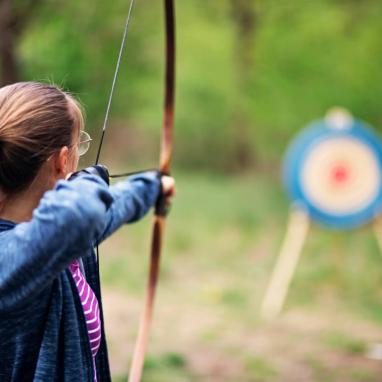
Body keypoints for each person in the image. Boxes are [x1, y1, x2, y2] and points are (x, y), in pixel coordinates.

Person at [0, 81, 175, 382]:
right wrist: (88, 181)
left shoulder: (52, 238)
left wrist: (151, 188)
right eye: (79, 144)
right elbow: (81, 214)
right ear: (61, 160)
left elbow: (97, 216)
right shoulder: (13, 254)